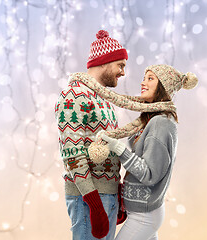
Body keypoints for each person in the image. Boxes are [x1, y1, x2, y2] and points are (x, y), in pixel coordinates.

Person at [97, 64, 198, 240]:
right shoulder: (150, 119)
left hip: (144, 215)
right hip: (141, 212)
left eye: (150, 78)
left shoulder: (161, 123)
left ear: (163, 87)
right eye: (144, 78)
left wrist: (119, 148)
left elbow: (150, 174)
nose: (143, 83)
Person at [55, 29, 128, 240]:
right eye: (120, 65)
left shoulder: (102, 98)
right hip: (89, 197)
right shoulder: (74, 95)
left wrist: (116, 190)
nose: (123, 72)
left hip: (106, 194)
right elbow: (72, 152)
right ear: (104, 62)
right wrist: (94, 202)